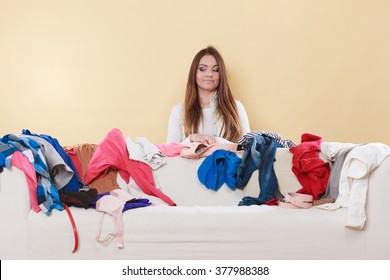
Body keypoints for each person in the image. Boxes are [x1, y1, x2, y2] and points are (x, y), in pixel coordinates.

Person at [166, 46, 251, 144]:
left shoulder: (235, 107)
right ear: (194, 73)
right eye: (202, 69)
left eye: (215, 70)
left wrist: (216, 142)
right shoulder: (179, 111)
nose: (209, 74)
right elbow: (170, 153)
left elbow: (248, 149)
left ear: (221, 75)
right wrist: (190, 139)